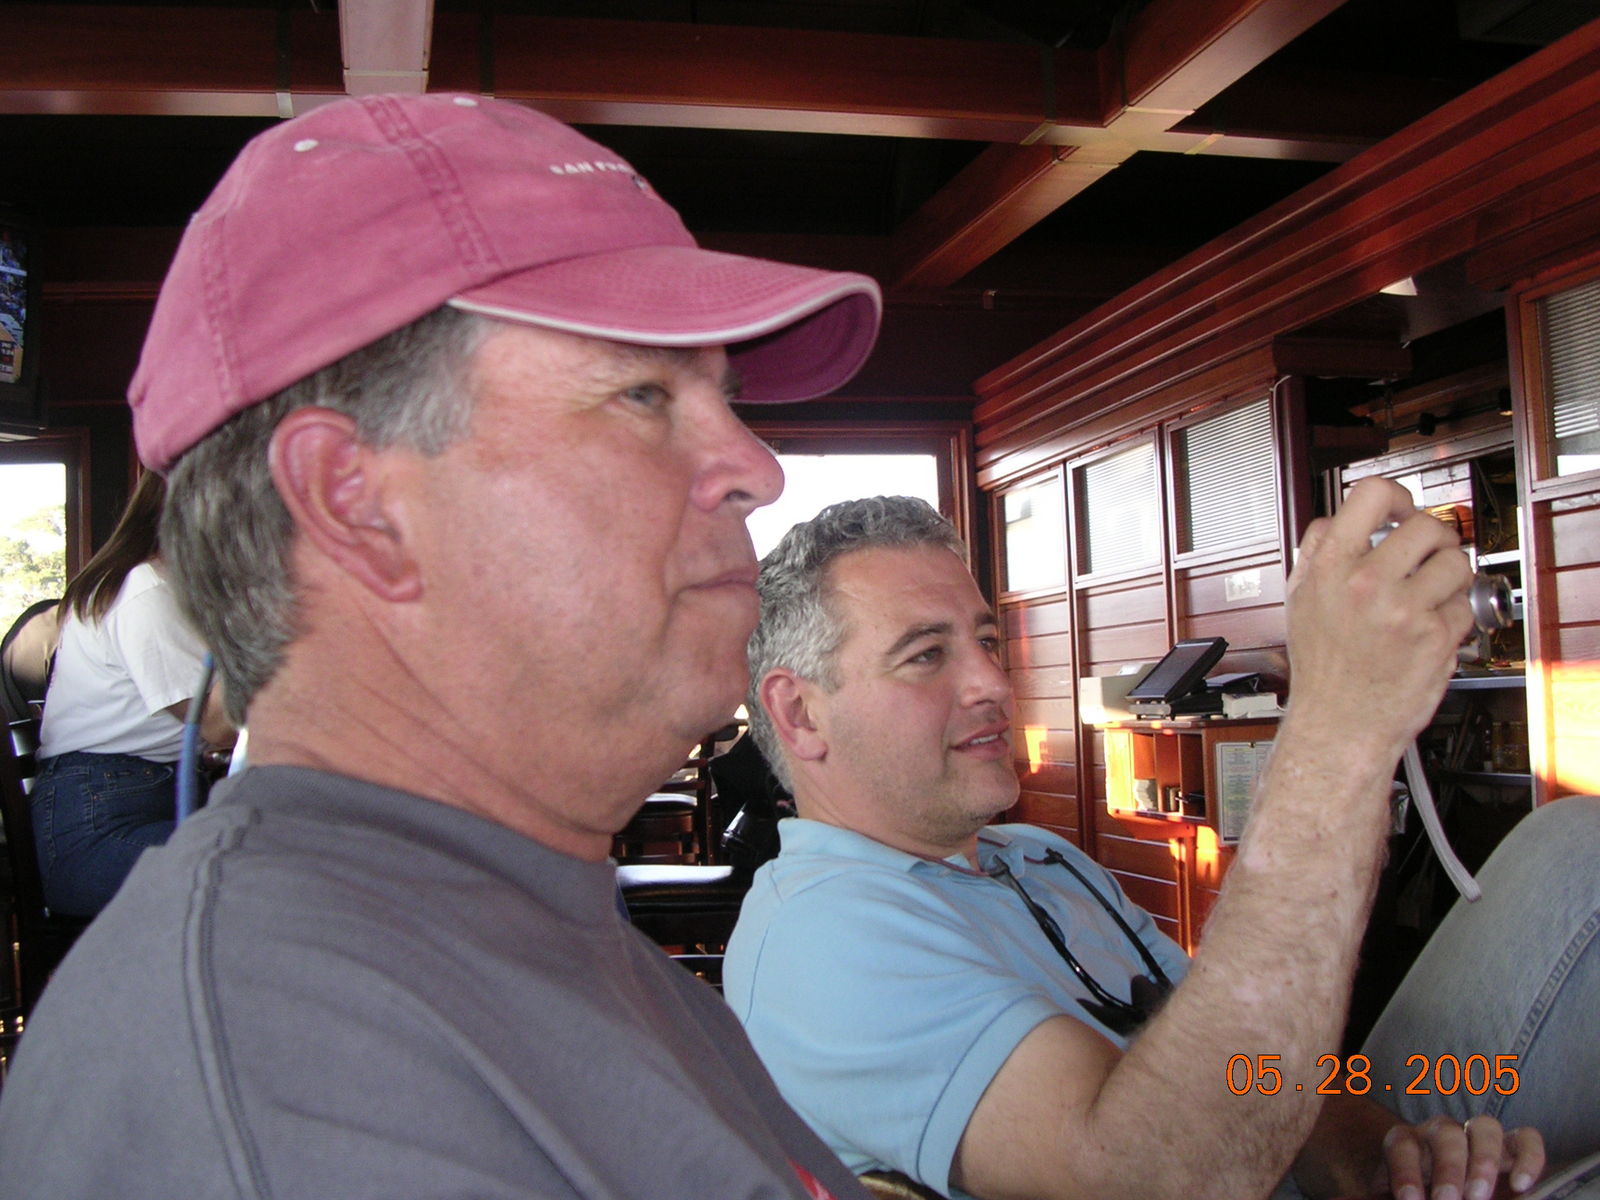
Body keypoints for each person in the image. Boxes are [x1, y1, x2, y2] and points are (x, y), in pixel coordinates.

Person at [0, 93, 884, 1200]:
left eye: (726, 396)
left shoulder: (520, 927)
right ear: (355, 504)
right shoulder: (288, 1080)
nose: (759, 467)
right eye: (643, 392)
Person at [725, 494, 1596, 1200]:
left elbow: (1249, 1062)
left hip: (1299, 1151)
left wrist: (1383, 1156)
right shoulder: (818, 935)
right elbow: (1159, 1178)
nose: (993, 681)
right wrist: (1339, 729)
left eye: (986, 642)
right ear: (800, 714)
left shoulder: (1039, 859)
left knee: (1576, 841)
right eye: (926, 656)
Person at [30, 469, 232, 916]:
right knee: (260, 868)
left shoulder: (177, 588)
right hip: (99, 826)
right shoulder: (144, 588)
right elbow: (216, 723)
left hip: (140, 799)